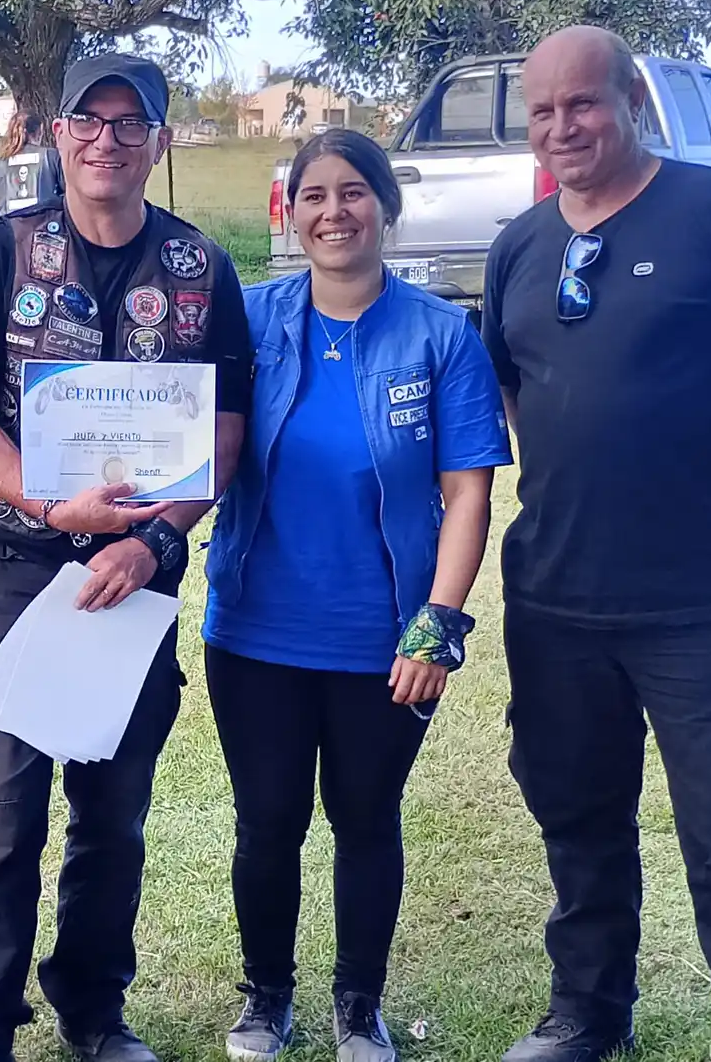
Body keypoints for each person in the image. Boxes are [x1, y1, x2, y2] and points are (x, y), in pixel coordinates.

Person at [0, 53, 252, 1062]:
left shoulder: (200, 266)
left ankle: (94, 1010)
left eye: (130, 123)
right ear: (56, 134)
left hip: (136, 577)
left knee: (113, 815)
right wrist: (52, 504)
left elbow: (224, 429)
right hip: (13, 570)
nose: (107, 140)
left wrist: (153, 540)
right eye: (88, 122)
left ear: (160, 141)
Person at [202, 128, 512, 1062]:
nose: (333, 212)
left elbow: (467, 494)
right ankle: (266, 997)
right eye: (313, 196)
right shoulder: (249, 318)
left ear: (385, 205)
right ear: (289, 213)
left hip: (387, 643)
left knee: (367, 819)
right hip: (254, 630)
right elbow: (181, 432)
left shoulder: (440, 334)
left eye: (352, 192)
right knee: (267, 822)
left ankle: (358, 1004)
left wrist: (437, 625)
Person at [482, 24, 711, 1062]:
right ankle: (589, 1011)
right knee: (578, 821)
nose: (562, 127)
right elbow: (514, 391)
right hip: (557, 598)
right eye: (543, 111)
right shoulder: (518, 245)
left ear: (634, 100)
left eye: (583, 103)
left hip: (707, 603)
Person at [0, 111, 64, 215]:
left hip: (8, 222)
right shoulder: (50, 156)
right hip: (43, 221)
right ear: (38, 132)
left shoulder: (2, 160)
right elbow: (68, 189)